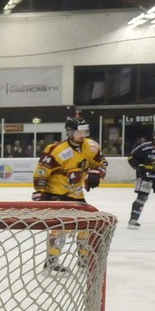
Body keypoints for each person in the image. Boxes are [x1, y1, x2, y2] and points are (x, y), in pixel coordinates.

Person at [33, 115, 107, 271]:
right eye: (79, 132)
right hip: (57, 194)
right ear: (70, 132)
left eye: (85, 131)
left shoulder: (92, 146)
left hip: (77, 195)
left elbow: (102, 163)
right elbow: (41, 172)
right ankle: (51, 260)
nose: (83, 135)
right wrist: (40, 192)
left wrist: (96, 172)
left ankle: (84, 259)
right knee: (62, 227)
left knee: (86, 226)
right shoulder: (57, 150)